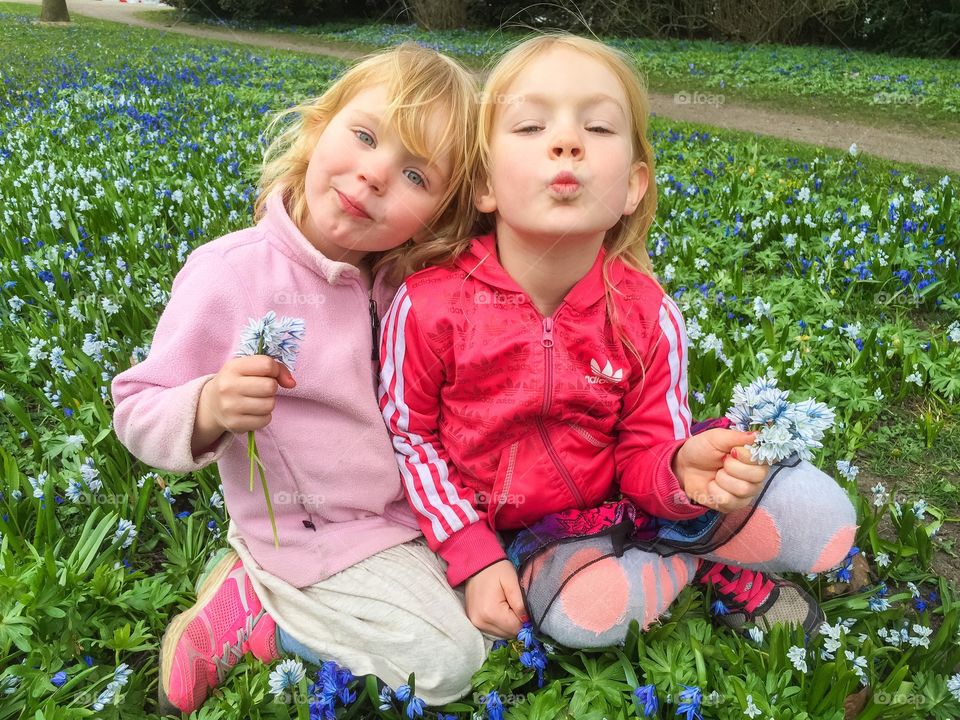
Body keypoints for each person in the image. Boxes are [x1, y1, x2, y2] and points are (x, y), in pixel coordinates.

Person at [378, 34, 858, 649]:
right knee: (586, 618)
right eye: (530, 125)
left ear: (632, 186)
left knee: (824, 517)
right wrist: (471, 552)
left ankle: (690, 534)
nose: (567, 141)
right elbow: (410, 441)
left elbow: (647, 454)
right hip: (530, 537)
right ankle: (699, 557)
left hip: (630, 503)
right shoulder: (428, 306)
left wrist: (683, 470)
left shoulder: (646, 314)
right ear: (483, 185)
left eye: (599, 128)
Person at [112, 44, 487, 714]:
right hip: (308, 537)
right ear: (318, 126)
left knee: (498, 612)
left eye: (415, 176)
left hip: (401, 520)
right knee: (451, 665)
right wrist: (209, 405)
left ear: (440, 214)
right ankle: (258, 610)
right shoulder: (234, 271)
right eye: (366, 136)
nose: (374, 175)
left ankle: (294, 601)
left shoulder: (402, 282)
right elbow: (137, 407)